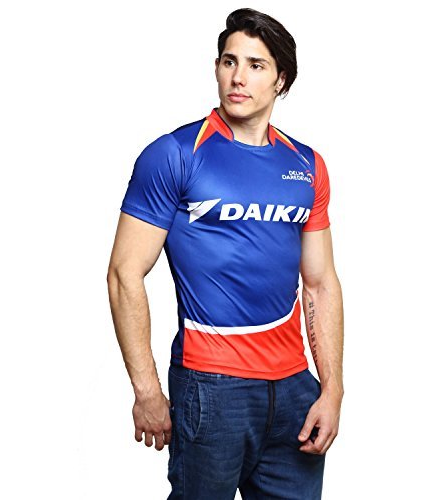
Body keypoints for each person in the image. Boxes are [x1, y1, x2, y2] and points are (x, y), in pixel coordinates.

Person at [107, 7, 344, 499]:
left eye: (256, 65)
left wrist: (331, 389)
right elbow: (124, 274)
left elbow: (320, 283)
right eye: (229, 61)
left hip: (294, 390)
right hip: (211, 386)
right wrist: (147, 391)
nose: (238, 77)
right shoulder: (176, 154)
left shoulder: (306, 165)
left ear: (281, 80)